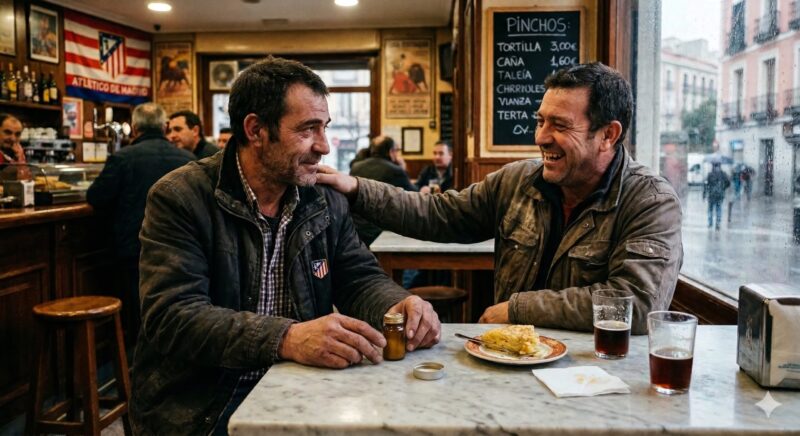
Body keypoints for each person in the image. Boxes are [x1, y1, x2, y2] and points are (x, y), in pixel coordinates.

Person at [130, 56, 440, 436]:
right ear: (256, 129)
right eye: (308, 129)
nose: (324, 146)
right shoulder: (180, 196)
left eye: (324, 128)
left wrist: (398, 304)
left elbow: (358, 277)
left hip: (298, 384)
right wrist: (287, 337)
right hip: (202, 398)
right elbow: (173, 317)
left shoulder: (322, 198)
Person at [318, 62, 683, 334]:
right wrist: (357, 188)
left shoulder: (650, 201)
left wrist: (519, 309)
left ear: (608, 134)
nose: (541, 137)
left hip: (593, 375)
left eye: (559, 125)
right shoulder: (518, 179)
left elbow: (635, 303)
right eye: (540, 121)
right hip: (509, 359)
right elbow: (437, 214)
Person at [86, 103, 195, 344]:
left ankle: (135, 366)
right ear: (164, 127)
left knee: (137, 312)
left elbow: (96, 197)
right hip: (184, 245)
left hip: (134, 247)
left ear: (134, 128)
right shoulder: (188, 158)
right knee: (177, 304)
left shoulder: (123, 158)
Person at [350, 135, 418, 245]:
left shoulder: (356, 167)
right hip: (381, 230)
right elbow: (413, 194)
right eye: (396, 150)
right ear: (391, 151)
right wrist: (403, 168)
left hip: (356, 228)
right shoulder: (395, 170)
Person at [703, 162, 730, 230]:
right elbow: (728, 182)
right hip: (720, 194)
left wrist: (704, 194)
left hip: (711, 195)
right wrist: (723, 188)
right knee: (718, 208)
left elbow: (706, 185)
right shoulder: (723, 174)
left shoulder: (710, 174)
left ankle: (710, 223)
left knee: (710, 209)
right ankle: (718, 223)